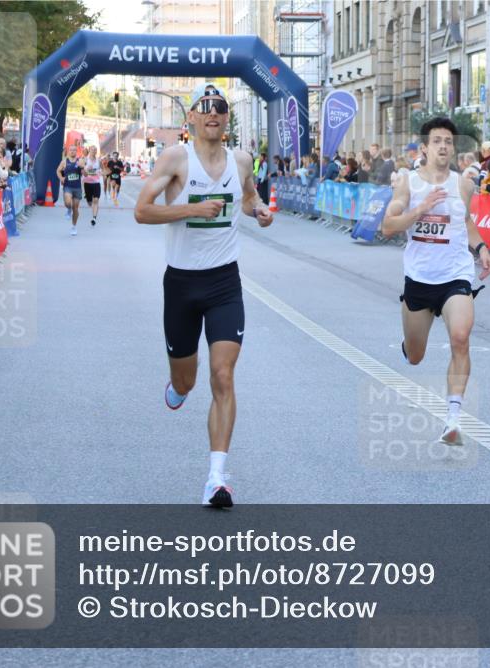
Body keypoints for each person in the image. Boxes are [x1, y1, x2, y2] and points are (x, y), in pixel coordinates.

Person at [133, 83, 274, 508]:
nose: (213, 113)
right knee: (187, 380)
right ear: (190, 118)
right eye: (205, 107)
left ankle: (217, 478)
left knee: (223, 375)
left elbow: (248, 198)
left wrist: (259, 211)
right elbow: (142, 211)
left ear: (227, 118)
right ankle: (177, 388)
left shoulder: (242, 160)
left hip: (223, 283)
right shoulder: (176, 158)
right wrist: (191, 209)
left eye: (220, 107)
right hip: (181, 283)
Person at [380, 116, 490, 446]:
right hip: (419, 278)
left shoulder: (464, 184)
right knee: (415, 356)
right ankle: (409, 346)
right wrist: (421, 210)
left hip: (455, 275)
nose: (443, 146)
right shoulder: (407, 183)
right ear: (426, 148)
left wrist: (481, 247)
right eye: (437, 141)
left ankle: (453, 417)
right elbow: (389, 226)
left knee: (460, 337)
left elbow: (467, 221)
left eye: (448, 141)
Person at [56, 144, 84, 236]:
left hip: (77, 188)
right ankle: (68, 209)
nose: (72, 151)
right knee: (68, 203)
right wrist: (61, 178)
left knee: (75, 208)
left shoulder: (80, 161)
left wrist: (82, 167)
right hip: (68, 186)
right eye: (71, 150)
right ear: (68, 151)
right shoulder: (64, 161)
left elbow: (86, 174)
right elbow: (58, 171)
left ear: (76, 151)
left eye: (74, 150)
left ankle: (74, 227)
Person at [82, 145, 102, 227]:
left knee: (96, 200)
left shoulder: (98, 160)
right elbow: (82, 171)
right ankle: (89, 200)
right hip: (87, 183)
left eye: (95, 150)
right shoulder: (85, 159)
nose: (94, 151)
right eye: (93, 149)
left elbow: (101, 169)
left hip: (96, 183)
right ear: (89, 150)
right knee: (90, 202)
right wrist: (86, 170)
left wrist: (101, 172)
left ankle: (94, 218)